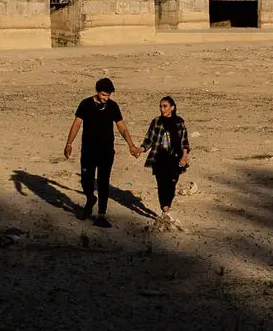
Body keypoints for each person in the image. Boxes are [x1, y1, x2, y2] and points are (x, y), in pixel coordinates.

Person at [63, 77, 139, 226]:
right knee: (86, 179)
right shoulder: (85, 104)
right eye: (103, 95)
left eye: (108, 95)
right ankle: (90, 198)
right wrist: (69, 143)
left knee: (104, 182)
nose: (106, 98)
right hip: (88, 150)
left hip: (106, 151)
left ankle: (101, 215)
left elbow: (121, 126)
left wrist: (131, 145)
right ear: (97, 92)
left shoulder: (113, 106)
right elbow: (76, 124)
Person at [142, 95, 191, 229]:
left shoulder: (179, 122)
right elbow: (149, 139)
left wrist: (184, 156)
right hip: (159, 158)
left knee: (172, 184)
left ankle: (166, 207)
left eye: (165, 106)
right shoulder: (156, 122)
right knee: (162, 184)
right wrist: (141, 149)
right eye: (161, 106)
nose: (162, 109)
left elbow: (184, 142)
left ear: (172, 108)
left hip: (175, 158)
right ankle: (165, 210)